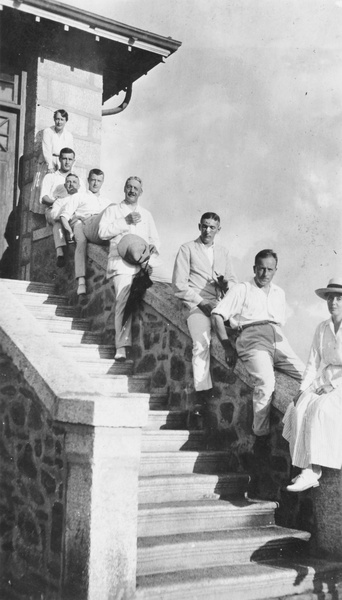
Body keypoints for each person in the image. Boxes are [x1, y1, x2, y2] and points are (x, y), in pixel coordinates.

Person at [212, 249, 305, 443]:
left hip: (278, 338)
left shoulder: (279, 292)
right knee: (266, 382)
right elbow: (217, 315)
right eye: (261, 269)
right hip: (252, 337)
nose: (265, 274)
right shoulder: (242, 289)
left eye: (269, 269)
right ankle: (260, 435)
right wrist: (227, 346)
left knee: (307, 376)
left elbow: (278, 324)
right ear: (254, 268)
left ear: (275, 270)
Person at [172, 212, 237, 418]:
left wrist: (225, 284)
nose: (207, 230)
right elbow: (179, 285)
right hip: (196, 305)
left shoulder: (224, 252)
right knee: (201, 343)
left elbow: (233, 281)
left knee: (238, 327)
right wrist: (201, 303)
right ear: (199, 226)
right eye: (205, 226)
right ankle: (202, 395)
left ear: (219, 229)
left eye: (212, 227)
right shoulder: (187, 249)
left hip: (219, 305)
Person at [283, 277, 342, 493]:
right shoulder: (322, 328)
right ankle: (306, 468)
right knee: (298, 408)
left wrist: (335, 386)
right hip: (324, 378)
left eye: (339, 298)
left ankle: (315, 469)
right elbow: (312, 363)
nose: (333, 302)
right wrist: (301, 390)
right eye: (330, 297)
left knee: (320, 409)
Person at [97, 176, 161, 362]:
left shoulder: (146, 214)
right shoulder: (113, 210)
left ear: (141, 192)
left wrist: (153, 248)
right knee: (122, 302)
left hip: (142, 263)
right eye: (129, 187)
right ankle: (122, 347)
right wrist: (124, 221)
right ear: (124, 188)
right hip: (122, 264)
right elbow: (102, 232)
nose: (132, 191)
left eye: (136, 188)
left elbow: (155, 239)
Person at [58, 169, 112, 295]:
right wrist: (69, 231)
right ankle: (81, 281)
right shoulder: (79, 196)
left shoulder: (106, 202)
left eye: (99, 181)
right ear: (88, 180)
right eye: (93, 180)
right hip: (82, 224)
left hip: (101, 225)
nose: (95, 183)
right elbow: (64, 216)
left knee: (114, 209)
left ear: (102, 182)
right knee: (81, 241)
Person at [39, 148, 85, 267]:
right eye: (64, 158)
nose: (67, 162)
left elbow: (83, 198)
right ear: (59, 159)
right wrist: (57, 201)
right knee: (58, 221)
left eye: (70, 159)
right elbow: (44, 198)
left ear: (73, 161)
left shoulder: (77, 179)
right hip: (54, 209)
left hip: (71, 211)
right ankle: (60, 253)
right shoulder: (51, 177)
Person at [30, 109, 74, 214]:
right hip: (48, 161)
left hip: (62, 162)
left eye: (62, 119)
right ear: (54, 120)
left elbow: (70, 152)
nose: (59, 122)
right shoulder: (48, 132)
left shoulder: (68, 135)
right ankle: (44, 212)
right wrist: (50, 166)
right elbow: (46, 149)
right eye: (57, 119)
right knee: (47, 184)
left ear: (65, 121)